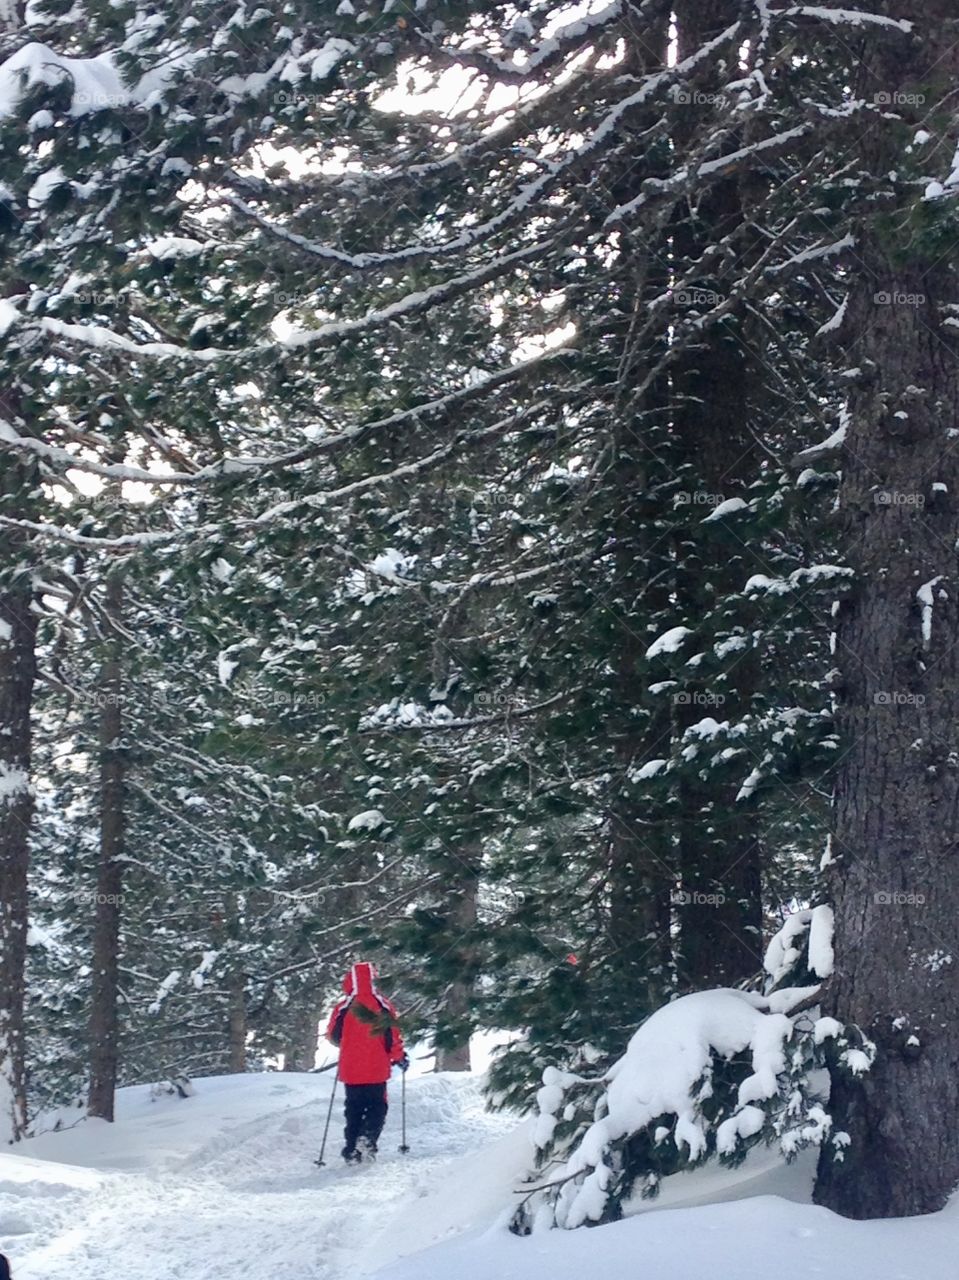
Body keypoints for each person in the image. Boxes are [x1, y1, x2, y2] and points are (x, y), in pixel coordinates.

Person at [325, 961, 408, 1163]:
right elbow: (393, 1036)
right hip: (376, 1068)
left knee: (353, 1109)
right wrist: (399, 1057)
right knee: (377, 1107)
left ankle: (351, 1150)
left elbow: (333, 1035)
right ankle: (368, 1138)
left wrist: (350, 1044)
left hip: (351, 1069)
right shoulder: (383, 1005)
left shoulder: (343, 1007)